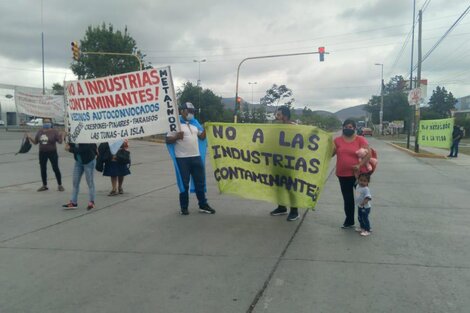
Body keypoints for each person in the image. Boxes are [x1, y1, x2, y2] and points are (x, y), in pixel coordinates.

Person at [166, 102, 215, 215]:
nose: (191, 114)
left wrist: (206, 128)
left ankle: (203, 205)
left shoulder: (195, 123)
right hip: (182, 159)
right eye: (189, 111)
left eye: (193, 112)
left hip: (196, 157)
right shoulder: (175, 124)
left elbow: (202, 138)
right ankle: (184, 208)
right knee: (184, 184)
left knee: (200, 182)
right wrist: (177, 136)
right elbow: (167, 140)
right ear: (182, 111)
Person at [332, 119, 371, 229]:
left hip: (359, 176)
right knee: (347, 199)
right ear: (342, 127)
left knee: (362, 198)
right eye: (345, 126)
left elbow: (368, 154)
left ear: (354, 128)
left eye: (350, 127)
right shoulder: (337, 141)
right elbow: (331, 154)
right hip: (342, 174)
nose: (347, 129)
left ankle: (364, 221)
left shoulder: (360, 139)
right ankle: (349, 221)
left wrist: (359, 165)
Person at [270, 105, 300, 221]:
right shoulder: (275, 127)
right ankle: (281, 207)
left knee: (290, 186)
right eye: (276, 114)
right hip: (276, 161)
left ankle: (294, 211)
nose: (276, 117)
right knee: (278, 185)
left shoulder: (295, 128)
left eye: (278, 114)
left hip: (289, 162)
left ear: (285, 116)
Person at [26, 118, 64, 192]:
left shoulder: (54, 132)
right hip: (42, 153)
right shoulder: (40, 132)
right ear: (43, 123)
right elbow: (35, 142)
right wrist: (30, 137)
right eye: (45, 122)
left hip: (52, 152)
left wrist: (62, 136)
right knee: (43, 169)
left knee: (55, 168)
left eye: (48, 122)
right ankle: (44, 185)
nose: (47, 123)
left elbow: (60, 142)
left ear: (51, 123)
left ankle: (60, 185)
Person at [62, 143, 97, 210]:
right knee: (75, 182)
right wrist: (66, 138)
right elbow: (69, 144)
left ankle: (91, 202)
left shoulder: (85, 136)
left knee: (90, 182)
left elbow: (83, 149)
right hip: (78, 161)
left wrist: (70, 149)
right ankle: (73, 202)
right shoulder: (73, 136)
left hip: (88, 161)